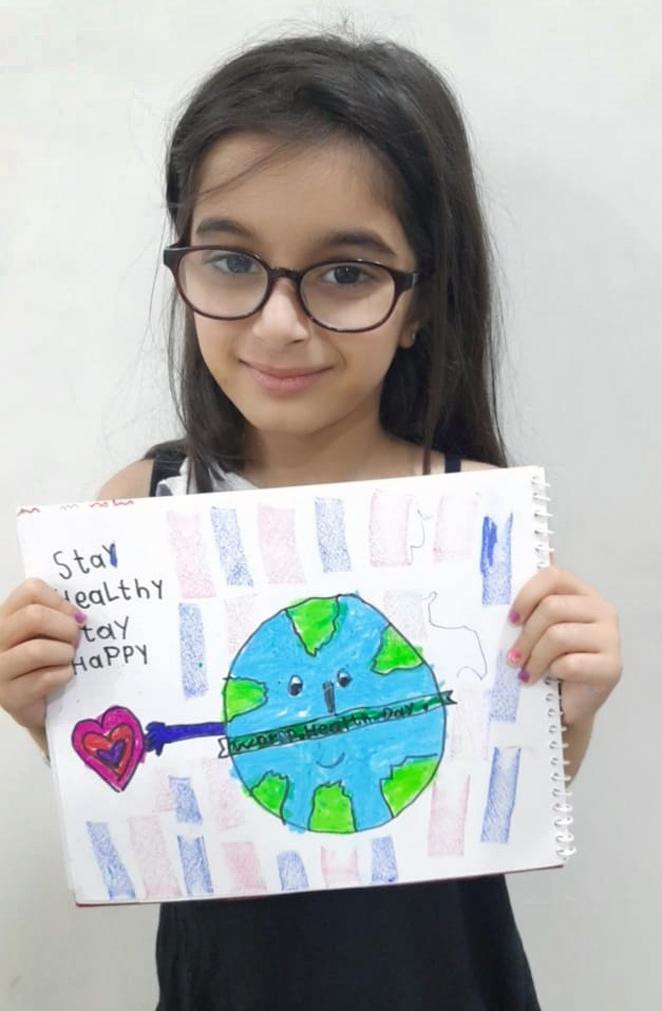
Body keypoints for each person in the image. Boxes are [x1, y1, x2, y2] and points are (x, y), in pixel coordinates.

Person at [0, 30, 621, 1011]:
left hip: (444, 982)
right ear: (183, 264)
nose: (279, 323)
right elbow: (142, 789)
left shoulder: (475, 518)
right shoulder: (142, 506)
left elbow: (502, 796)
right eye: (231, 261)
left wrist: (572, 705)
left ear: (420, 302)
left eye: (345, 273)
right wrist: (47, 706)